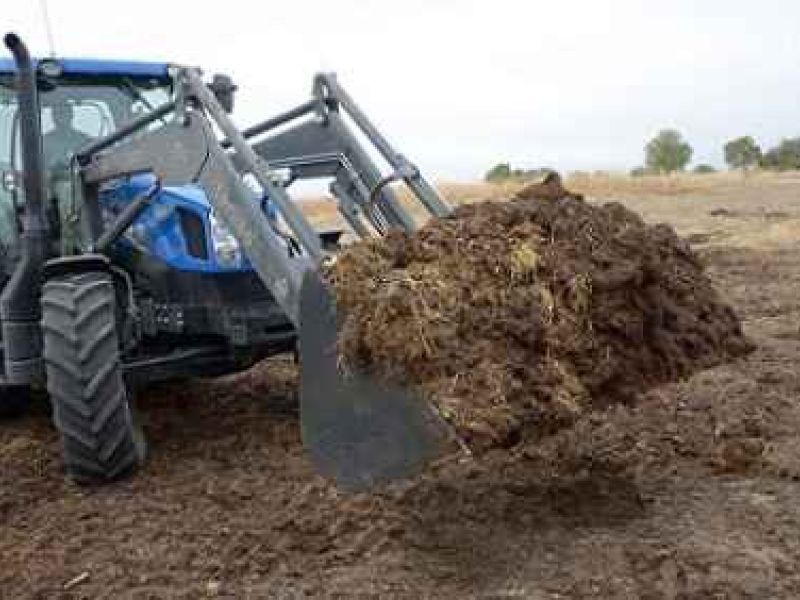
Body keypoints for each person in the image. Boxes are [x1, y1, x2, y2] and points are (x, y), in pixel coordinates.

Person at [42, 102, 92, 170]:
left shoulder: (85, 140)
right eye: (56, 113)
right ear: (53, 117)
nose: (60, 117)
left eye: (63, 113)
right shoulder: (43, 142)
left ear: (71, 115)